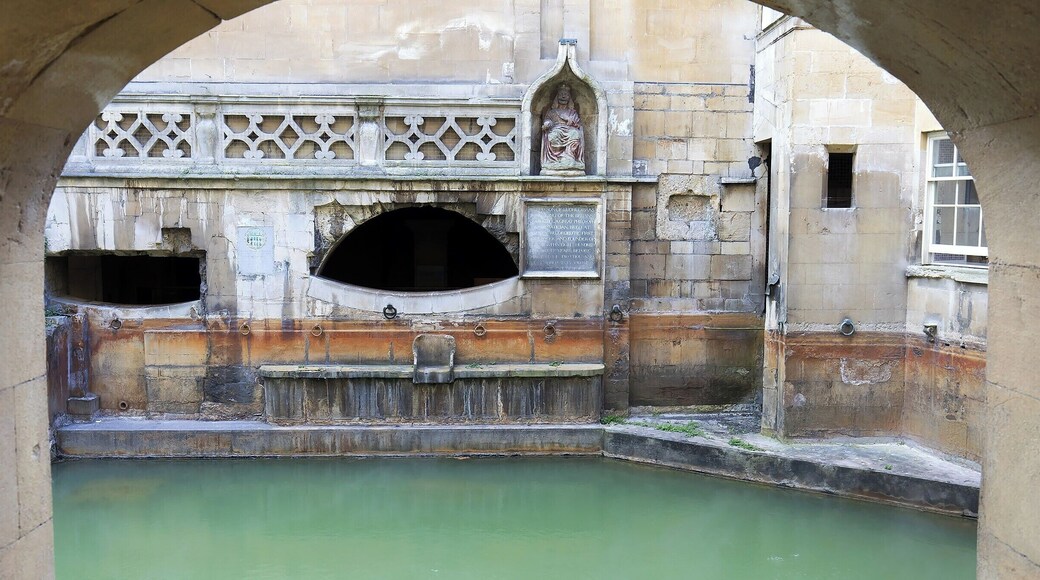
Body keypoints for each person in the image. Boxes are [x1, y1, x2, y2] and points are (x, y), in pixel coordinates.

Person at [540, 83, 586, 174]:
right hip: (556, 129)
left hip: (569, 129)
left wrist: (571, 121)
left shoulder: (572, 112)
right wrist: (547, 124)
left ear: (569, 98)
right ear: (557, 97)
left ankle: (569, 157)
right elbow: (547, 120)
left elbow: (577, 124)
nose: (563, 97)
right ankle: (555, 159)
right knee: (554, 135)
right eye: (561, 94)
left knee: (575, 134)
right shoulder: (552, 112)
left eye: (566, 95)